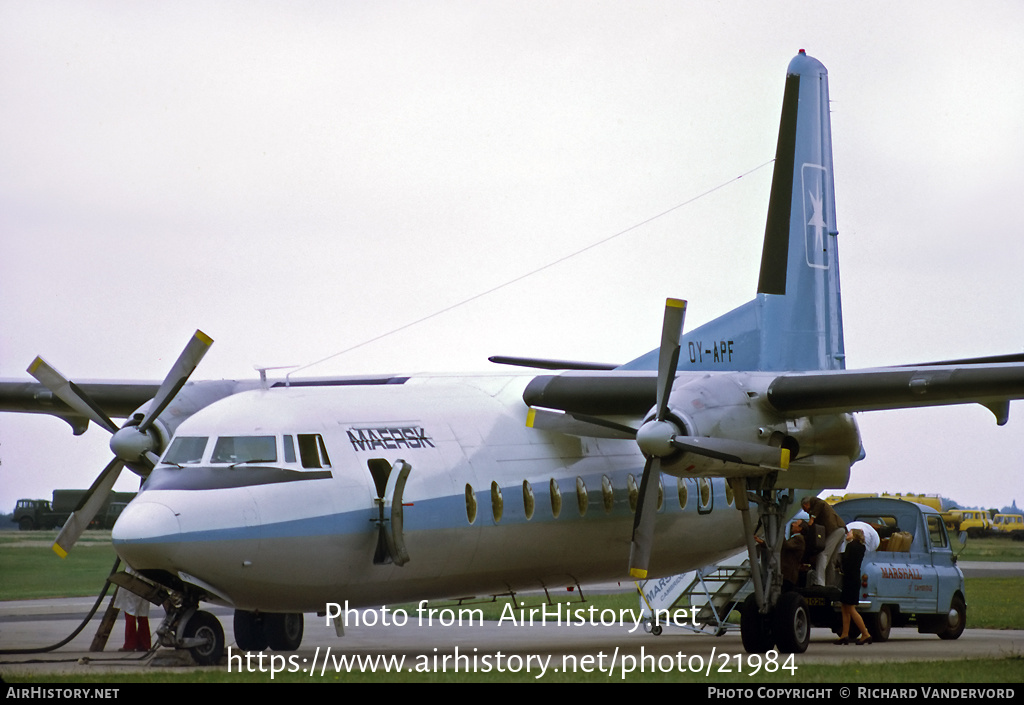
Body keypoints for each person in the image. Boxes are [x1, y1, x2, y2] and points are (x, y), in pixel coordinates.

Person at [835, 528, 871, 645]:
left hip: (850, 579)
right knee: (844, 607)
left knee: (850, 608)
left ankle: (865, 634)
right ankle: (844, 635)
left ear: (854, 535)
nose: (847, 534)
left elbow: (846, 562)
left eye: (850, 532)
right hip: (854, 578)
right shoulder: (861, 547)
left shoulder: (851, 546)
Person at [801, 496, 846, 586]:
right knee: (831, 561)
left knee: (823, 554)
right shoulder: (817, 509)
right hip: (840, 529)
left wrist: (812, 518)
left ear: (806, 504)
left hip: (834, 529)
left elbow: (820, 503)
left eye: (804, 508)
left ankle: (820, 583)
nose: (805, 511)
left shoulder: (814, 502)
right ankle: (829, 584)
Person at [114, 568, 151, 652]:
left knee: (130, 612)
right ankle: (144, 644)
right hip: (147, 580)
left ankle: (130, 644)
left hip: (133, 580)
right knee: (142, 613)